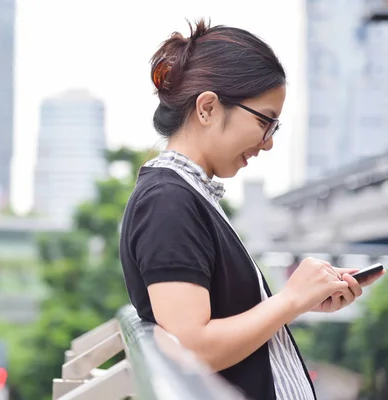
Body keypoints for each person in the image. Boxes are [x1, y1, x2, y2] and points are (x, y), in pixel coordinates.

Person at [119, 19, 384, 400]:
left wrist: (301, 300)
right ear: (207, 107)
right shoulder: (168, 201)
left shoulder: (189, 195)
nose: (268, 143)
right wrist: (290, 299)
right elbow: (192, 346)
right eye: (264, 121)